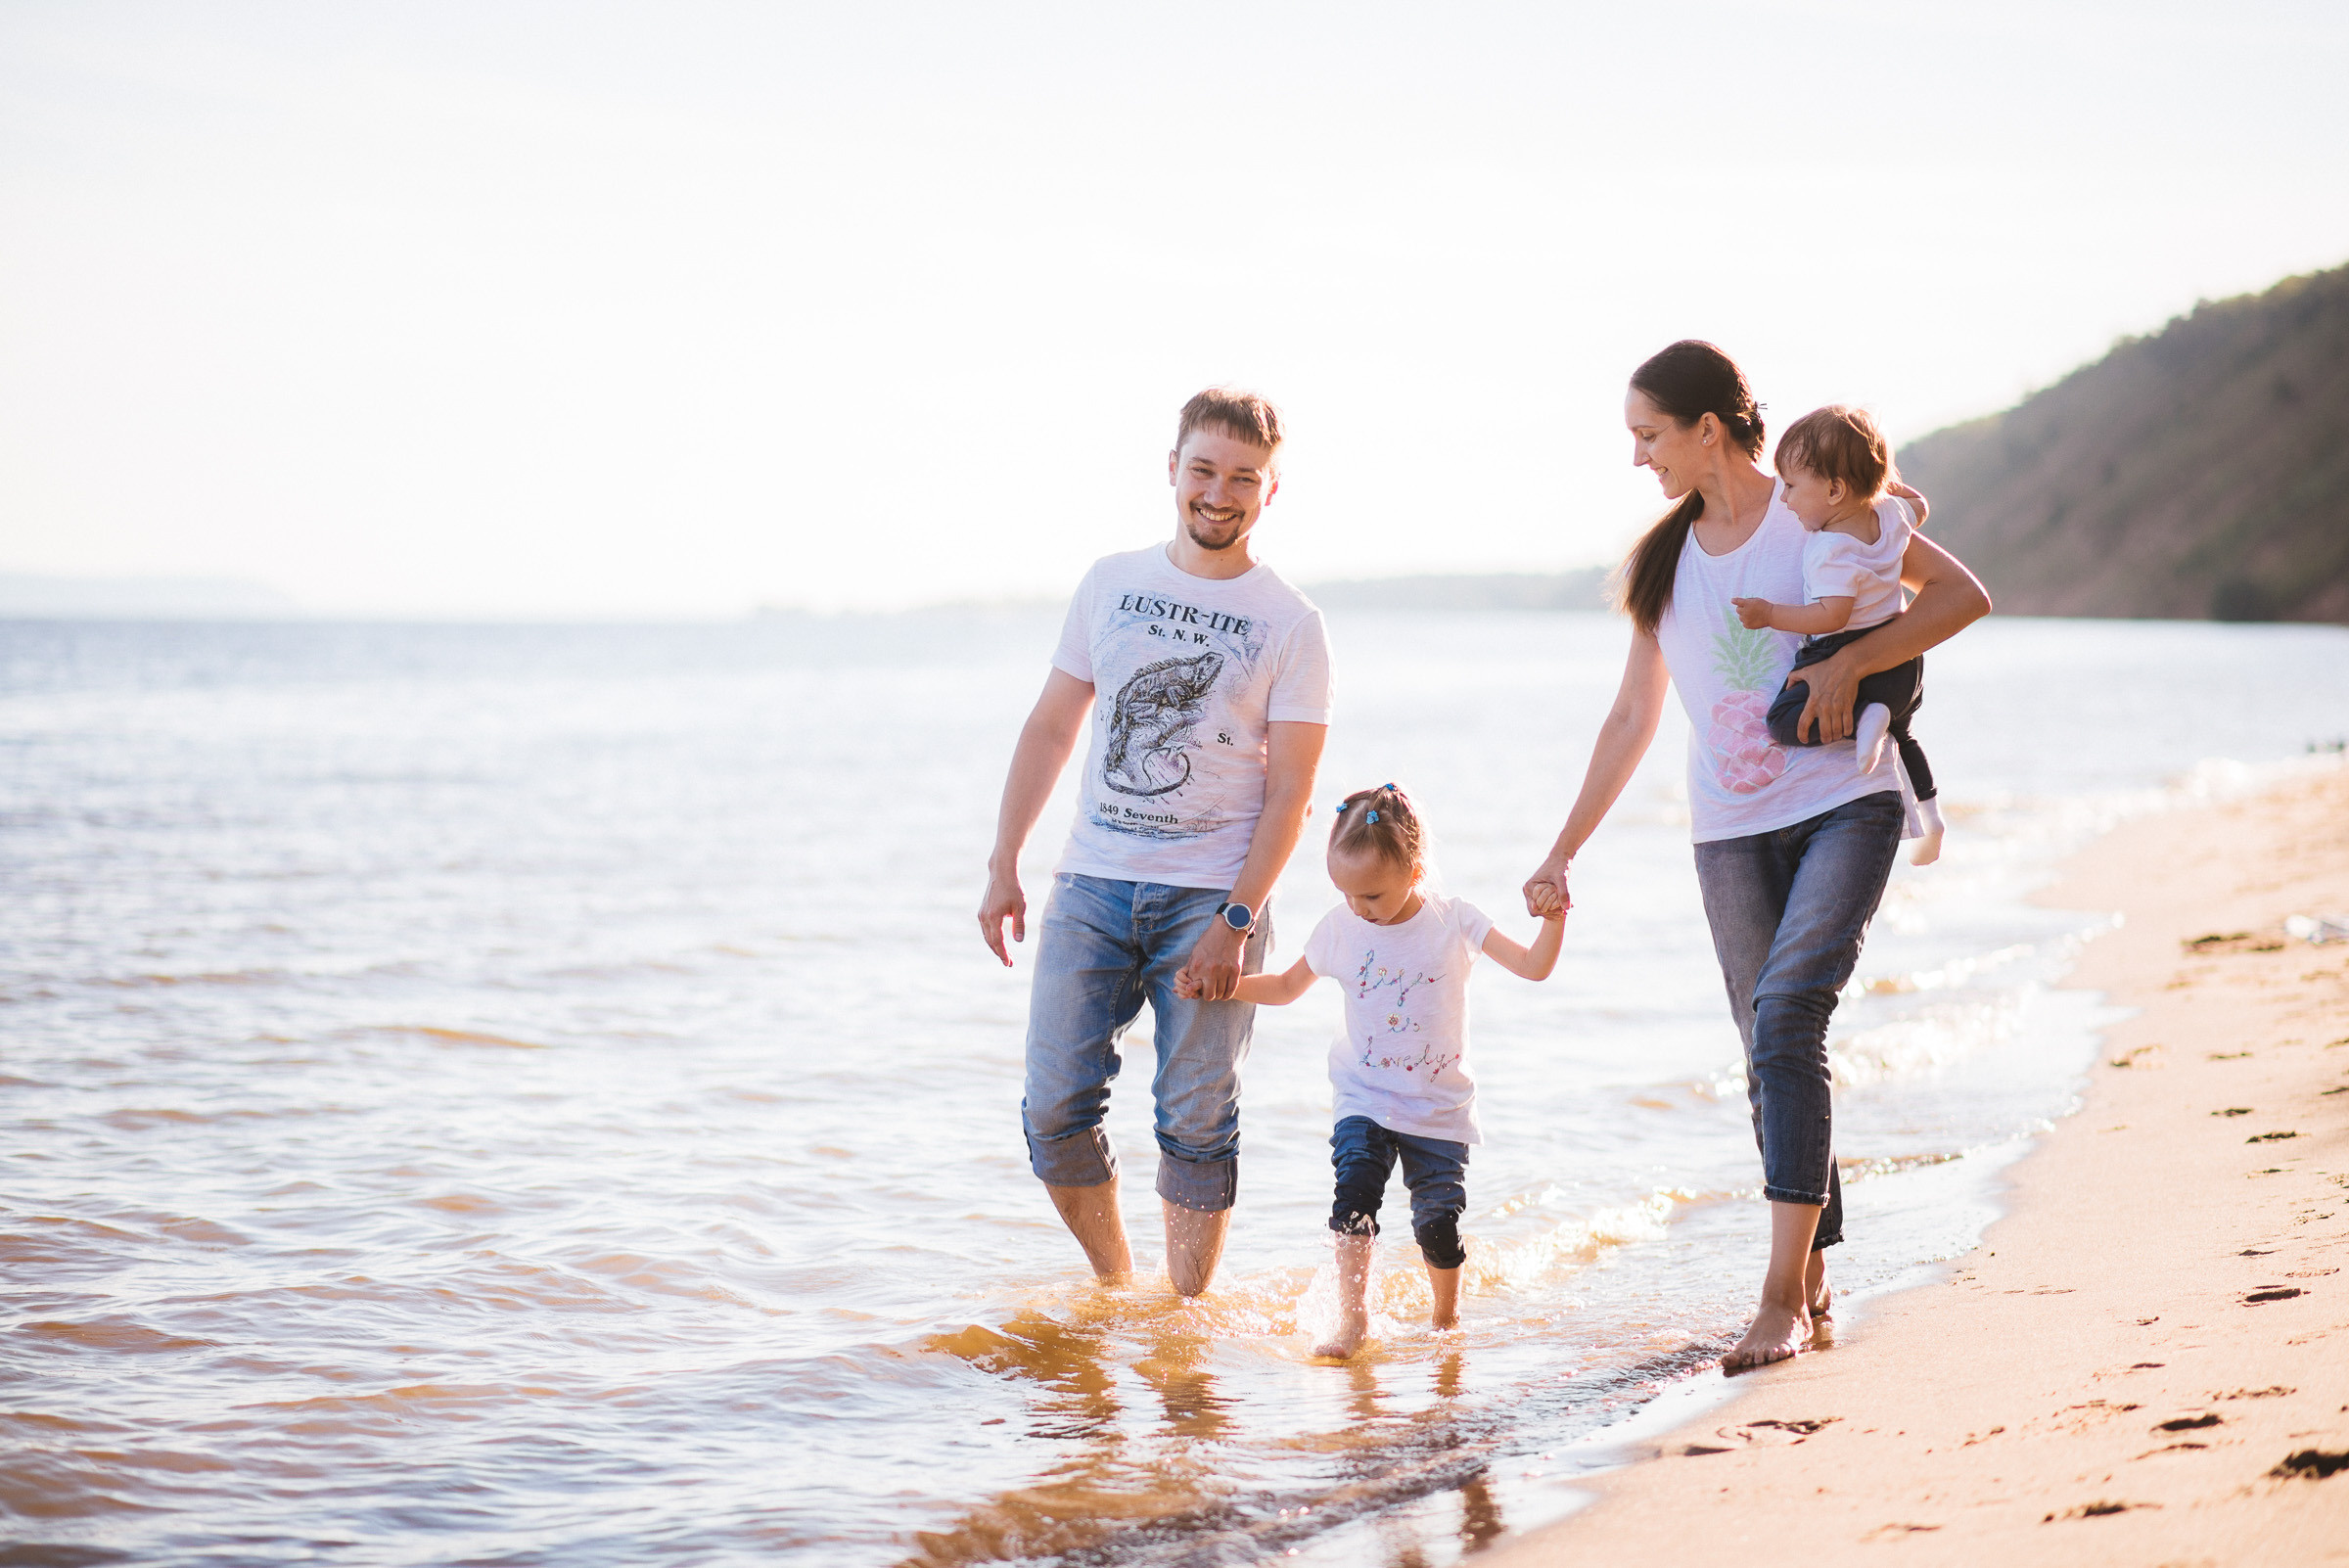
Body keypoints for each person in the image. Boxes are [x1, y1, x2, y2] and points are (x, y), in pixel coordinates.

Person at [1521, 342, 1989, 1370]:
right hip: (1727, 827)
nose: (1639, 457)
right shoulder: (1662, 560)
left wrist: (1858, 661)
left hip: (1843, 800)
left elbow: (1960, 598)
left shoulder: (1817, 505)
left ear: (1708, 430)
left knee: (1787, 1019)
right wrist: (1562, 850)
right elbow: (1634, 715)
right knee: (1768, 1052)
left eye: (1649, 435)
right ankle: (1816, 1278)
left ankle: (1775, 1300)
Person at [977, 388, 1332, 1297]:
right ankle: (1118, 1289)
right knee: (1054, 1109)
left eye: (1243, 478)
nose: (1220, 493)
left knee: (1196, 1119)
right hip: (1091, 886)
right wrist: (1004, 861)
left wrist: (1236, 921)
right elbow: (1054, 724)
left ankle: (1183, 1319)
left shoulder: (1290, 621)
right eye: (1204, 470)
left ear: (1270, 491)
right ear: (1172, 469)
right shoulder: (1111, 583)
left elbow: (1291, 790)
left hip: (1212, 898)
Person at [1184, 783, 1563, 1359]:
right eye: (1348, 893)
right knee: (1353, 1195)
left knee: (1437, 1223)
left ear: (1414, 870)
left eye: (1373, 895)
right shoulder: (1339, 927)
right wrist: (1220, 987)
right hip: (1363, 1095)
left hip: (1438, 1107)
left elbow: (1534, 967)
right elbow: (1287, 987)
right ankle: (1353, 1321)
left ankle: (1446, 1318)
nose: (1359, 907)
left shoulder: (1455, 920)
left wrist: (1553, 919)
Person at [1731, 403, 1947, 866]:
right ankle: (1932, 817)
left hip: (1845, 647)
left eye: (1790, 486)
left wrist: (1770, 613)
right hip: (1900, 653)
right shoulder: (1889, 515)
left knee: (1782, 720)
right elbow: (1920, 506)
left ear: (1833, 490)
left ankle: (1864, 713)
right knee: (1904, 737)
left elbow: (1831, 616)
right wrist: (1875, 480)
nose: (1784, 499)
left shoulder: (1831, 549)